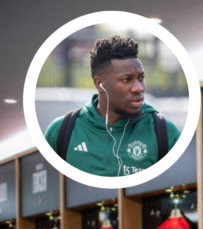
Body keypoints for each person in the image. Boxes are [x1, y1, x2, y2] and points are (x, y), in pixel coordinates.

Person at [44, 35, 180, 177]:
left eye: (141, 78)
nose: (138, 88)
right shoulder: (61, 131)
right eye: (126, 80)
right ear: (99, 84)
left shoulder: (165, 132)